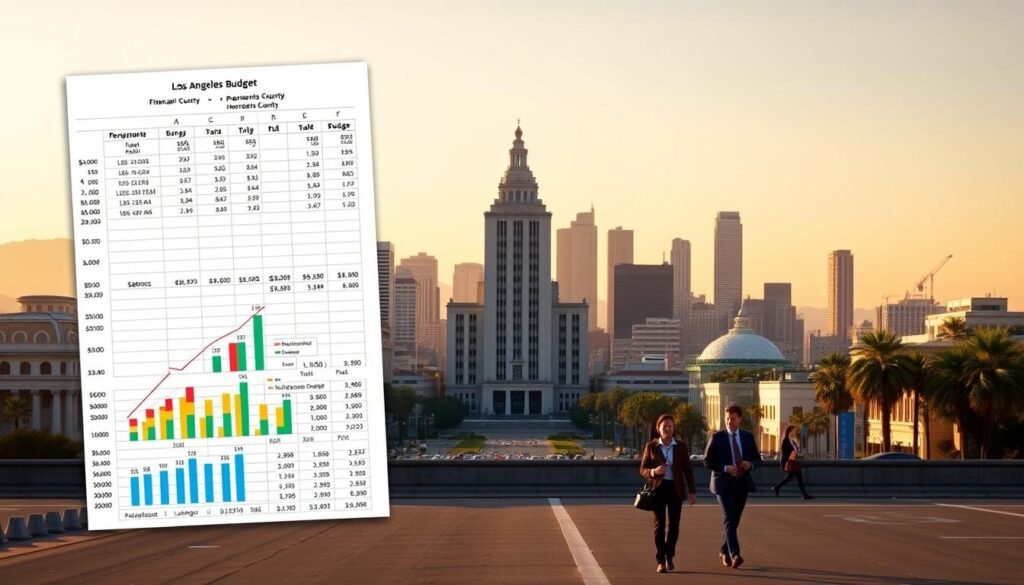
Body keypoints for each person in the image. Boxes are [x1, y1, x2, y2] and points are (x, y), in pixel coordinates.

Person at [703, 403, 762, 569]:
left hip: (741, 483)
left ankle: (723, 550)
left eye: (732, 419)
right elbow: (707, 461)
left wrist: (750, 465)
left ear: (739, 420)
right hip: (723, 484)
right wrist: (724, 468)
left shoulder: (747, 437)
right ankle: (735, 554)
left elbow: (758, 460)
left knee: (734, 520)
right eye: (727, 418)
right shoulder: (717, 437)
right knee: (729, 517)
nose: (729, 421)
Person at [639, 414, 698, 574]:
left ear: (674, 428)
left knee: (674, 525)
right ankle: (660, 560)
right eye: (664, 426)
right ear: (658, 428)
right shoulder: (651, 446)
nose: (667, 428)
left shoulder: (680, 446)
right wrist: (653, 471)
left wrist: (692, 491)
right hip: (658, 489)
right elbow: (642, 469)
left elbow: (688, 470)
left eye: (670, 426)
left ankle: (669, 555)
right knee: (659, 525)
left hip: (675, 488)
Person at [772, 424, 815, 500]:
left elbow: (793, 451)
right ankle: (804, 494)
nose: (794, 432)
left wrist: (796, 449)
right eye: (793, 430)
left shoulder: (789, 440)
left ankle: (777, 488)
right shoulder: (785, 440)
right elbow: (785, 453)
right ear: (789, 431)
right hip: (789, 463)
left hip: (791, 462)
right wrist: (793, 455)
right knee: (797, 477)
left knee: (791, 477)